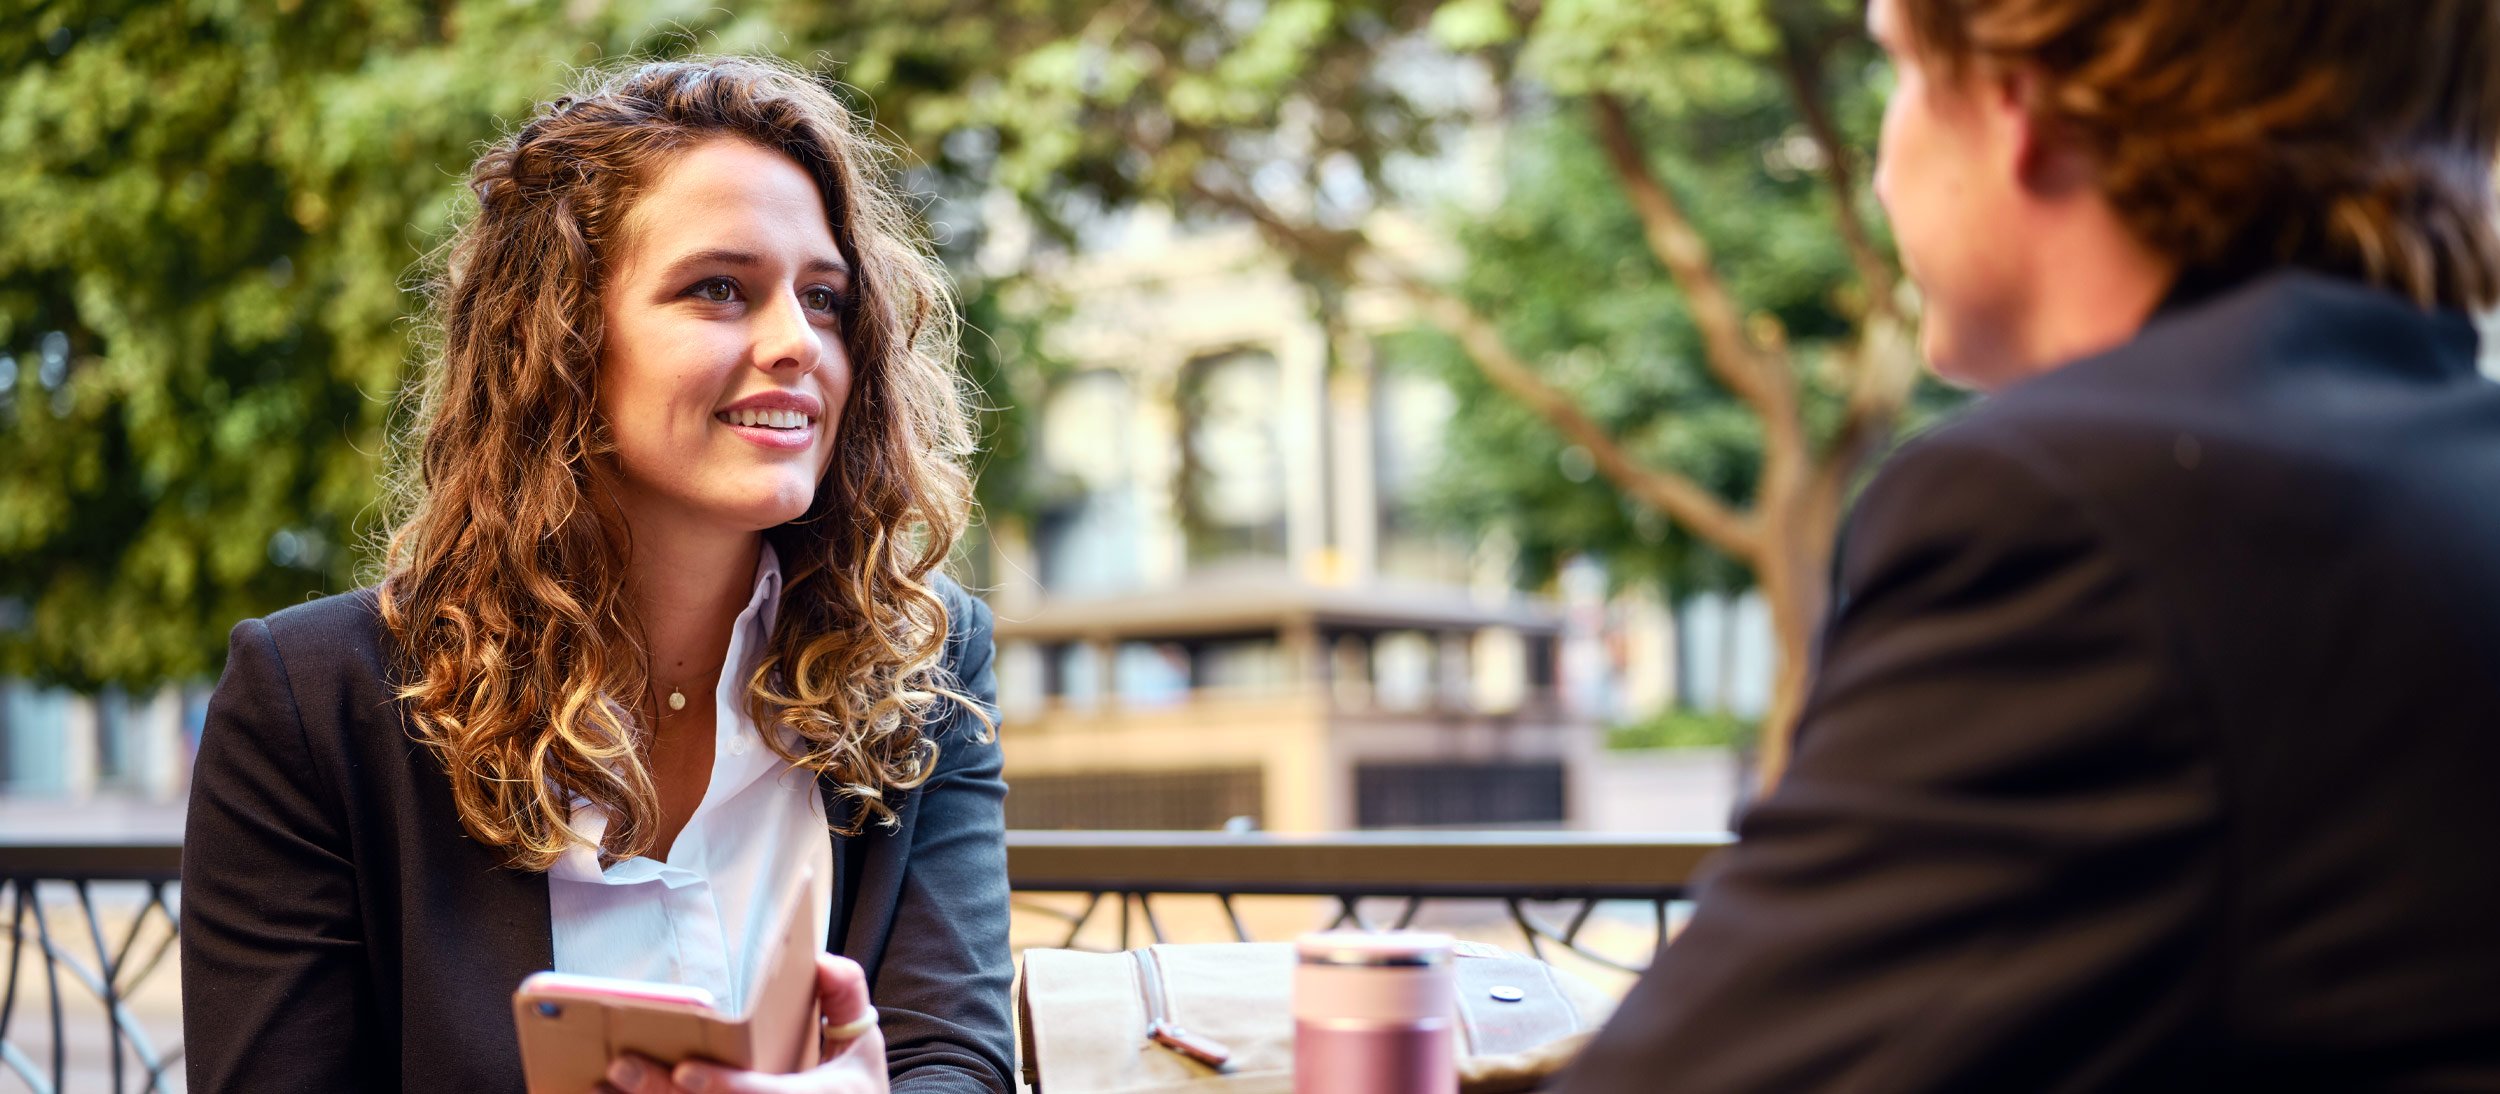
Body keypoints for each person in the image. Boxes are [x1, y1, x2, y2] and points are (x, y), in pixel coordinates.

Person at [1560, 0, 2500, 1089]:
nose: (1878, 169)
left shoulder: (2079, 517)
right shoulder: (2436, 482)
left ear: (2020, 101)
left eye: (1903, 73)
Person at [180, 57, 1013, 1094]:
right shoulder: (314, 703)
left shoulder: (923, 663)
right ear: (559, 340)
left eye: (827, 298)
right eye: (720, 289)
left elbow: (955, 1058)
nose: (799, 342)